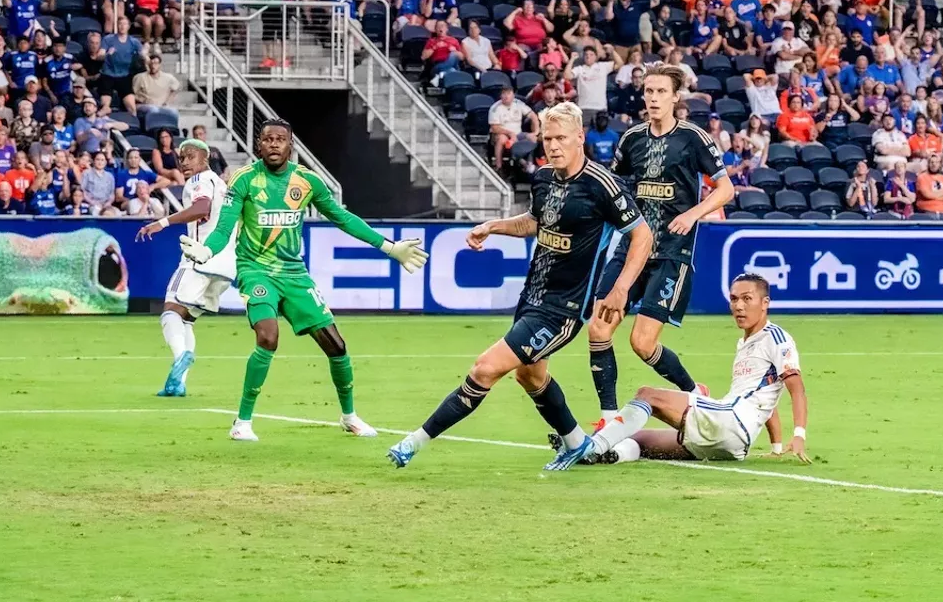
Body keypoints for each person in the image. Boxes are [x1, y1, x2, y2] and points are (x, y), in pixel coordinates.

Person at [387, 102, 650, 470]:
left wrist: (621, 287)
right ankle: (577, 443)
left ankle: (413, 442)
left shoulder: (602, 185)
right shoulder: (543, 178)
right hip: (533, 297)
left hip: (565, 309)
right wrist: (493, 226)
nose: (553, 145)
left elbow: (641, 235)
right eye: (547, 138)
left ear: (579, 138)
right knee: (530, 375)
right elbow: (534, 222)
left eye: (561, 138)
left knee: (485, 368)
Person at [179, 119, 428, 441]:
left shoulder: (307, 181)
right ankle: (242, 422)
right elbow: (225, 228)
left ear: (290, 145)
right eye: (267, 139)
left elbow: (342, 218)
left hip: (294, 274)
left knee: (337, 346)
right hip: (255, 270)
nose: (273, 144)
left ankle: (349, 416)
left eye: (280, 139)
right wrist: (206, 250)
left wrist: (390, 247)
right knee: (268, 337)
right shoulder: (244, 180)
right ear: (258, 145)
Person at [588, 64, 734, 427]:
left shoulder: (694, 138)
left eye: (660, 92)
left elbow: (726, 189)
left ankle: (693, 393)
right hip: (630, 251)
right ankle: (609, 417)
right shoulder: (632, 139)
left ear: (675, 97)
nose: (653, 98)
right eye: (648, 92)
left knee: (642, 342)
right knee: (598, 329)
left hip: (672, 254)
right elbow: (615, 190)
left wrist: (693, 214)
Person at [562, 273, 808, 467]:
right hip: (733, 445)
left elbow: (796, 389)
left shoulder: (775, 337)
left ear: (765, 303)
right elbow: (766, 400)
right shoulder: (745, 343)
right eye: (734, 299)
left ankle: (591, 446)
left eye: (747, 299)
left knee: (647, 395)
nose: (739, 306)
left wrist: (799, 435)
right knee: (637, 438)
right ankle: (608, 453)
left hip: (730, 420)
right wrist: (776, 447)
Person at [135, 140, 238, 397]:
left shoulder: (199, 181)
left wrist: (162, 222)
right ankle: (178, 384)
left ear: (205, 158)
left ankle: (182, 356)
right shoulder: (222, 185)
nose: (184, 162)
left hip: (199, 257)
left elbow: (201, 208)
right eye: (182, 158)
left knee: (170, 311)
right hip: (225, 265)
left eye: (190, 157)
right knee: (187, 319)